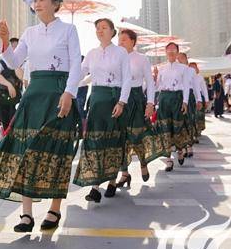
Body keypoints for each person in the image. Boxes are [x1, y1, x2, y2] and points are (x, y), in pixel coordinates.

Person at [0, 0, 81, 232]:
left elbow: (76, 63)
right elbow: (13, 61)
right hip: (34, 94)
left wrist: (69, 93)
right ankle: (26, 215)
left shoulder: (68, 30)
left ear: (55, 3)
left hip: (59, 92)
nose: (37, 3)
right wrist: (4, 40)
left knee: (56, 151)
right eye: (35, 0)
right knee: (25, 149)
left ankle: (54, 210)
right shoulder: (29, 33)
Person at [74, 18, 131, 203]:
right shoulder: (91, 54)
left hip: (114, 100)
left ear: (112, 31)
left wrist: (121, 102)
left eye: (104, 27)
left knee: (113, 142)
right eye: (97, 28)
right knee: (94, 142)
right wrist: (68, 84)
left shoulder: (121, 52)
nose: (100, 30)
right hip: (97, 101)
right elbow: (82, 75)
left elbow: (127, 80)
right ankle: (95, 187)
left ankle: (112, 182)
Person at [115, 28, 155, 188]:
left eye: (124, 39)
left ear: (132, 41)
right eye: (119, 39)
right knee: (121, 137)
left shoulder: (141, 59)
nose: (120, 42)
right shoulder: (116, 57)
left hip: (137, 99)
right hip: (120, 100)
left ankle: (143, 163)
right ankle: (124, 174)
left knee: (137, 136)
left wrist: (150, 103)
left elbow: (150, 82)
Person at [154, 42, 189, 171]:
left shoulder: (183, 68)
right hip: (164, 99)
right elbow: (157, 87)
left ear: (177, 52)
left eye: (174, 50)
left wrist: (185, 101)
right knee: (165, 129)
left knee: (177, 127)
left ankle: (180, 150)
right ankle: (168, 159)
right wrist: (155, 77)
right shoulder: (162, 68)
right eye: (168, 50)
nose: (171, 52)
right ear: (166, 52)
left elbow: (186, 86)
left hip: (177, 98)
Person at [0, 38, 24, 128]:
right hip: (3, 96)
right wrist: (9, 84)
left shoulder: (22, 63)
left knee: (15, 121)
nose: (15, 50)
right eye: (13, 47)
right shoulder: (1, 63)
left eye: (17, 47)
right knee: (5, 122)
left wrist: (15, 63)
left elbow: (21, 77)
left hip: (17, 97)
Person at [176, 53, 200, 159]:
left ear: (186, 59)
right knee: (180, 122)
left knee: (189, 121)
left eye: (182, 58)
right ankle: (183, 146)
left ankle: (189, 146)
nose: (180, 60)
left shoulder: (191, 71)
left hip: (189, 97)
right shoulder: (176, 70)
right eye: (178, 59)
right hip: (177, 96)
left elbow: (195, 85)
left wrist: (199, 99)